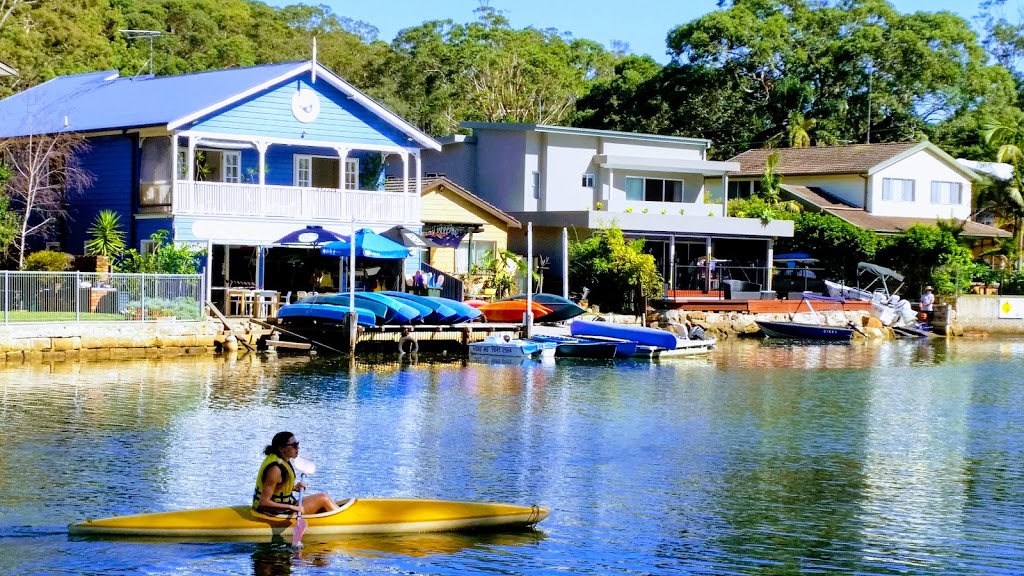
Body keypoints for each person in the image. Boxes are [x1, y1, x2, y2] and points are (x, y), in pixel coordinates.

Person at [253, 431, 339, 516]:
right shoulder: (275, 470)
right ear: (281, 448)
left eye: (297, 444)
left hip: (282, 508)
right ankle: (343, 521)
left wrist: (294, 488)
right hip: (274, 513)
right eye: (294, 445)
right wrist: (290, 507)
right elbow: (263, 502)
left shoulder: (282, 461)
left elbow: (276, 488)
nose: (297, 448)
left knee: (324, 497)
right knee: (322, 498)